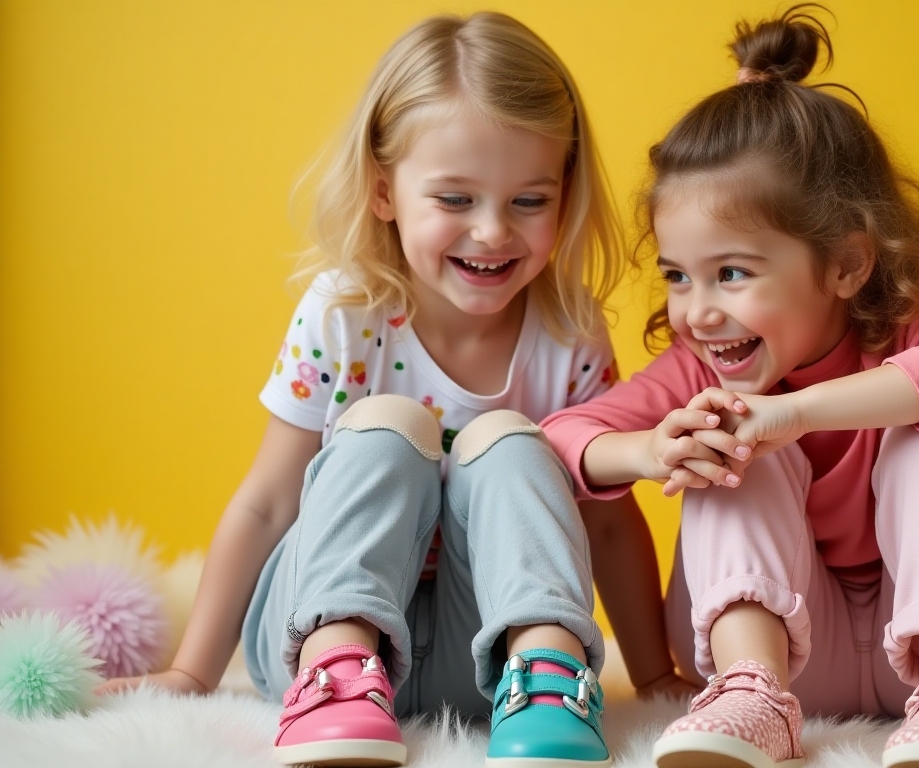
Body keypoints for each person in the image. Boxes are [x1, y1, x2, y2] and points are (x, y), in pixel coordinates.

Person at [96, 13, 690, 767]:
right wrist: (192, 671)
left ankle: (547, 679)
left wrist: (655, 675)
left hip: (486, 662)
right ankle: (340, 672)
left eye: (529, 201)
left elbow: (606, 525)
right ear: (385, 192)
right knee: (386, 424)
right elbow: (269, 501)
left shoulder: (568, 331)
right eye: (453, 200)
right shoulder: (346, 313)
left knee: (511, 444)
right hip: (315, 640)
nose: (491, 233)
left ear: (565, 193)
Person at [539, 6, 919, 768]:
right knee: (722, 440)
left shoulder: (911, 324)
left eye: (732, 273)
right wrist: (650, 449)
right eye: (677, 275)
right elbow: (559, 438)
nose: (697, 310)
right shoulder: (700, 371)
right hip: (798, 652)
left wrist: (793, 413)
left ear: (846, 265)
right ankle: (747, 691)